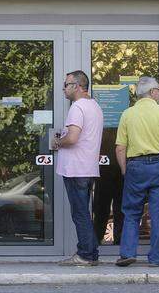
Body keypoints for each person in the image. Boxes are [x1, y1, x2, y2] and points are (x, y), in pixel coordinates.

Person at [114, 77, 159, 267]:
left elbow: (120, 147)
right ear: (152, 92)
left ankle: (127, 253)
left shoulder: (127, 114)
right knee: (158, 214)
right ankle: (157, 259)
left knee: (132, 212)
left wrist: (126, 170)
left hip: (136, 167)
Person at [53, 70, 104, 266]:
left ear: (77, 86)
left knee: (80, 213)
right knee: (84, 211)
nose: (64, 89)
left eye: (66, 85)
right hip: (88, 167)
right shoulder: (95, 106)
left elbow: (73, 138)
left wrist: (58, 142)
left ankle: (86, 255)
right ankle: (90, 252)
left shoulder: (78, 107)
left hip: (76, 168)